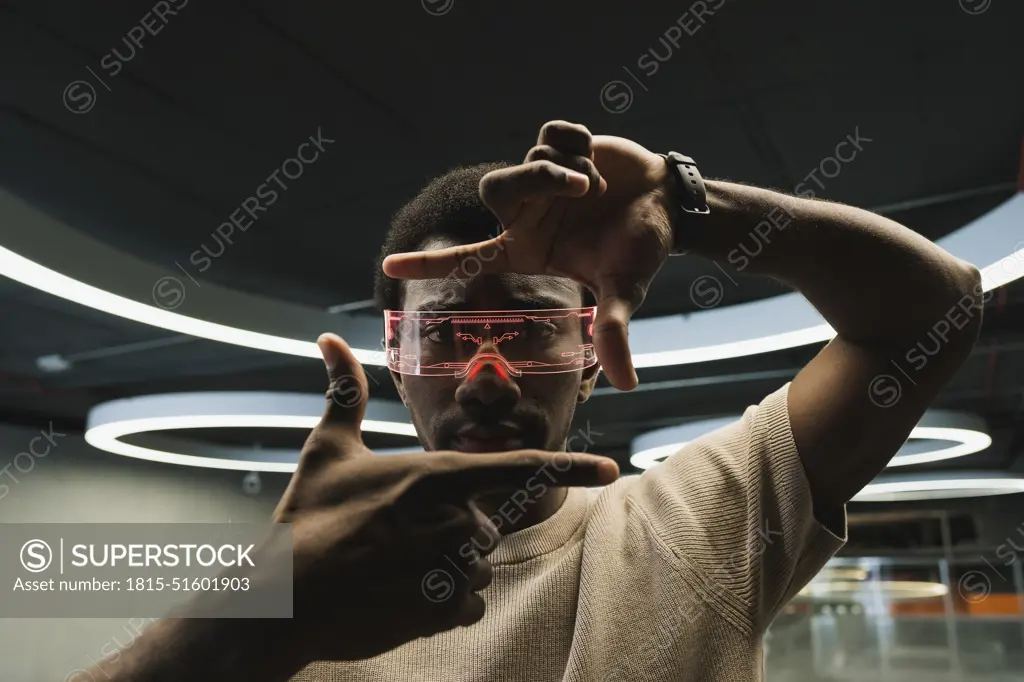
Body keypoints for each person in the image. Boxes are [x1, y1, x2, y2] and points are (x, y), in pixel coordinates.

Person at [94, 120, 983, 682]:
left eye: (529, 331)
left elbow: (935, 309)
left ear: (589, 355)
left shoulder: (704, 515)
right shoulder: (306, 584)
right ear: (396, 366)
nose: (488, 376)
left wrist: (694, 208)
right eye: (444, 336)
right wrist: (251, 623)